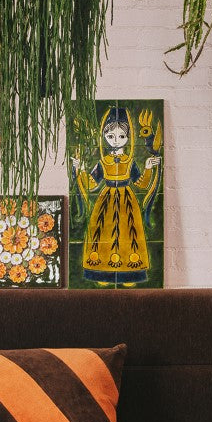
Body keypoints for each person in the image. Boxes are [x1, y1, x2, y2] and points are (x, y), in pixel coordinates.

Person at [70, 105, 161, 287]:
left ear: (128, 138)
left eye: (121, 136)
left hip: (127, 200)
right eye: (111, 136)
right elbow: (91, 184)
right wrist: (79, 168)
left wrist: (149, 168)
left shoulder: (130, 162)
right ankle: (101, 272)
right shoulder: (103, 162)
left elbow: (141, 184)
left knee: (130, 234)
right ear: (104, 137)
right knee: (101, 233)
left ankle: (130, 274)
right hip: (106, 199)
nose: (116, 140)